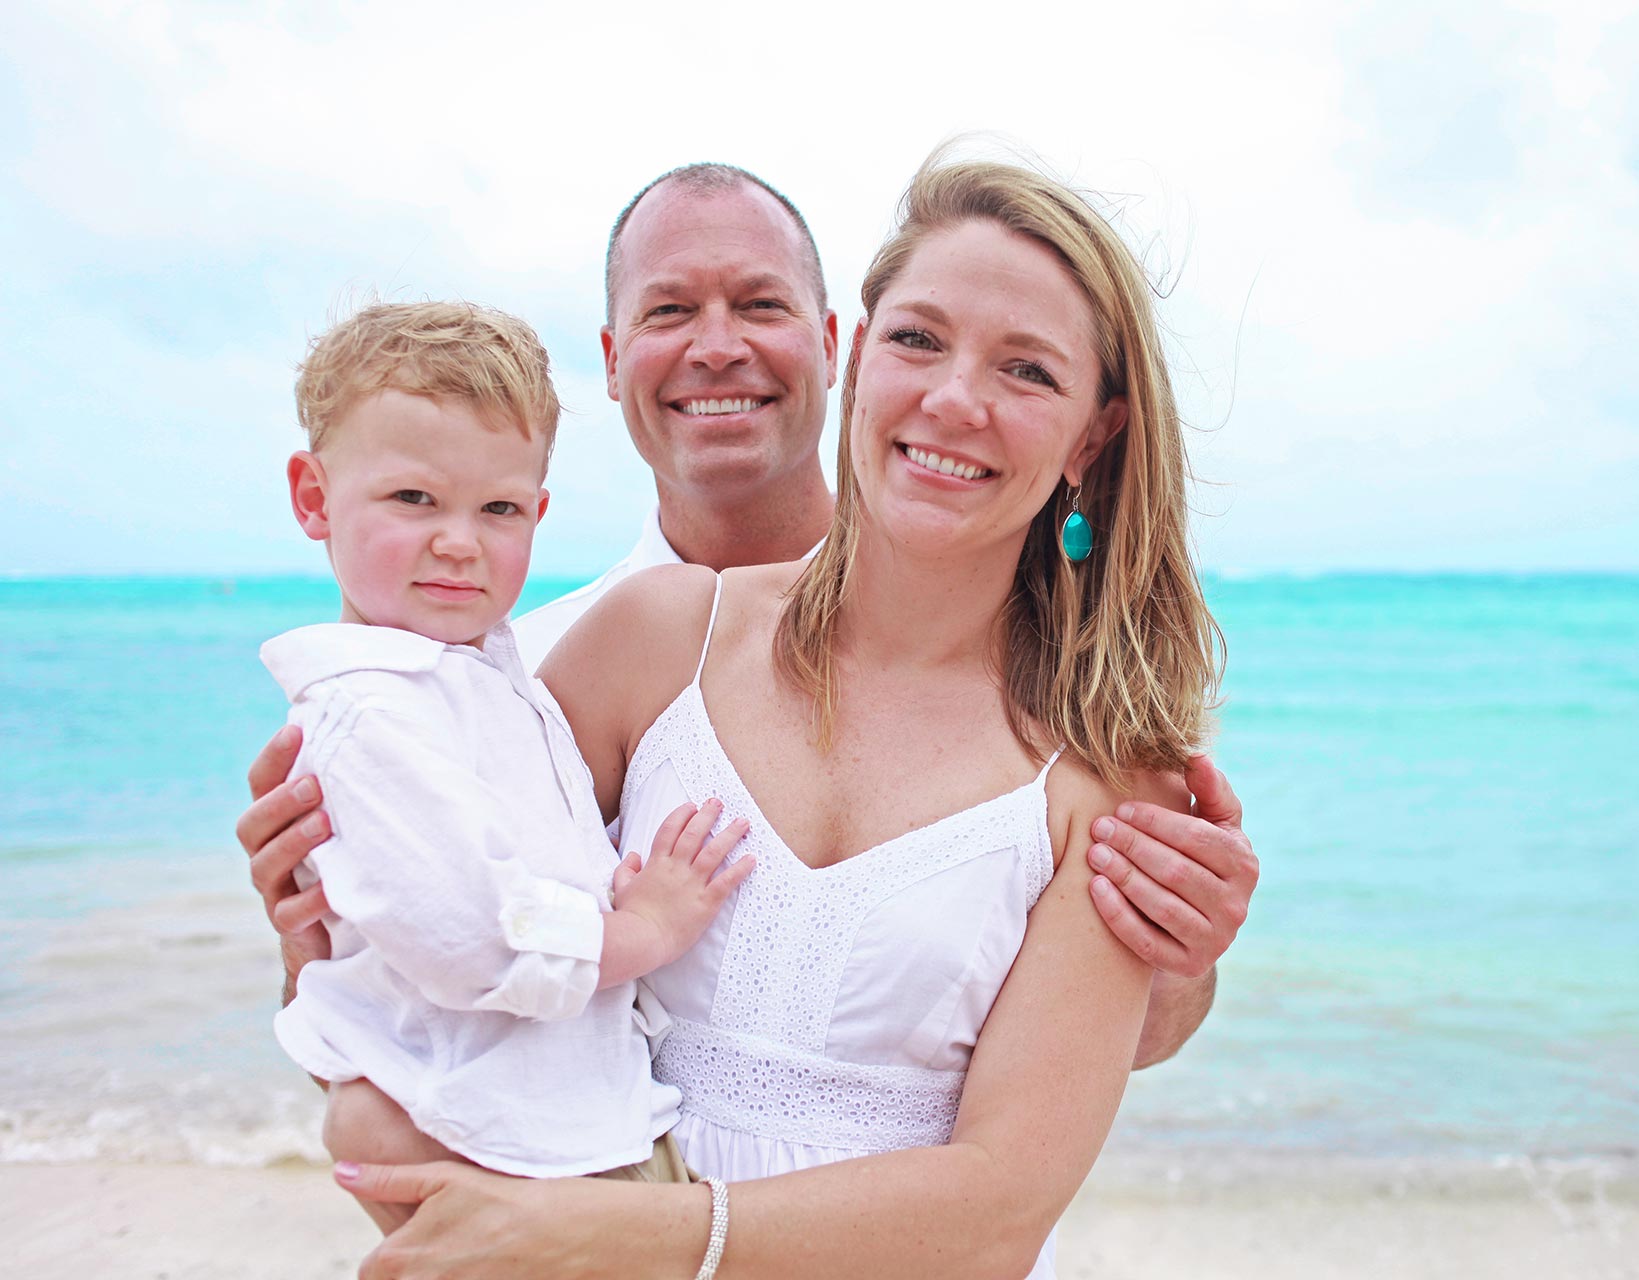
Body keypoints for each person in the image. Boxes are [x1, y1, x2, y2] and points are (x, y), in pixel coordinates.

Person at [325, 151, 1225, 1280]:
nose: (954, 398)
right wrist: (312, 912)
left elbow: (1001, 1205)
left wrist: (612, 1239)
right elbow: (448, 964)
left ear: (1094, 436)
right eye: (918, 339)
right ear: (861, 355)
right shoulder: (654, 643)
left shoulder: (1110, 773)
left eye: (1029, 370)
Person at [262, 300, 754, 1232]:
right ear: (315, 498)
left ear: (538, 512)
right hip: (495, 1137)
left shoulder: (484, 673)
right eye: (414, 499)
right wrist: (643, 931)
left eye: (498, 509)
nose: (460, 540)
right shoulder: (367, 711)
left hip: (557, 1123)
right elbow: (469, 936)